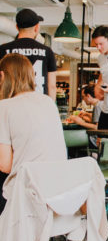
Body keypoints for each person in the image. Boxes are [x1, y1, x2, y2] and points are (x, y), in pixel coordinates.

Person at [0, 54, 66, 216]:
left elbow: (5, 165)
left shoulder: (4, 107)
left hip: (26, 194)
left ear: (2, 76)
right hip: (58, 190)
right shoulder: (48, 102)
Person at [0, 8, 57, 100]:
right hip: (39, 104)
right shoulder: (47, 51)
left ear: (17, 27)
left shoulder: (3, 49)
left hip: (12, 103)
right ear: (36, 27)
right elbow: (52, 86)